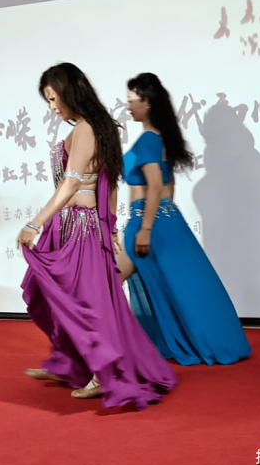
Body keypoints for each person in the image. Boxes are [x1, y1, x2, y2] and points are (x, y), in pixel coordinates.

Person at [18, 63, 177, 410]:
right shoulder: (92, 126)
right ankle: (69, 364)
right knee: (64, 298)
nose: (52, 107)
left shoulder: (87, 128)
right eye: (47, 101)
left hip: (80, 227)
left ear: (70, 91)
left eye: (54, 98)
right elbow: (111, 182)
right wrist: (110, 226)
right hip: (73, 225)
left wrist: (35, 222)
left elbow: (72, 183)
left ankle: (104, 374)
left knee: (88, 303)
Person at [116, 73, 251, 366]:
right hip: (164, 219)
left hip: (147, 222)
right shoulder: (161, 138)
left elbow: (155, 186)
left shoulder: (149, 140)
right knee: (182, 286)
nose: (128, 106)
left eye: (131, 100)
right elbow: (169, 187)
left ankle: (110, 348)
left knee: (109, 281)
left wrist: (146, 229)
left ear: (147, 103)